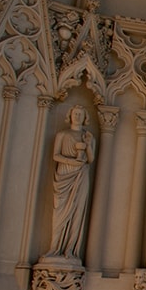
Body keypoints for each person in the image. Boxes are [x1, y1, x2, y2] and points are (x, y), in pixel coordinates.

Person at [44, 104, 95, 260]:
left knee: (78, 213)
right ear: (70, 115)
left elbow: (91, 159)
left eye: (80, 113)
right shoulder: (62, 135)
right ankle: (54, 248)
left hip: (81, 175)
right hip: (64, 173)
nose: (77, 116)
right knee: (60, 212)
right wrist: (72, 162)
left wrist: (86, 146)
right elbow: (56, 155)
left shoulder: (88, 137)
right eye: (75, 113)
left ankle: (70, 251)